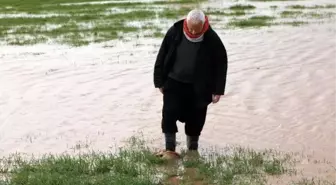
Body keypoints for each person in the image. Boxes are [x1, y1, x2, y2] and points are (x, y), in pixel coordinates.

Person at [153, 9, 228, 154]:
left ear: (204, 25)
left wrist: (218, 90)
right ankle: (169, 148)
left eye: (197, 30)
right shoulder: (174, 32)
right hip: (174, 82)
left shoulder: (211, 38)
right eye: (191, 29)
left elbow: (221, 64)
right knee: (169, 113)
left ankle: (193, 150)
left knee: (197, 117)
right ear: (186, 23)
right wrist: (159, 81)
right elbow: (161, 56)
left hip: (199, 86)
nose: (193, 33)